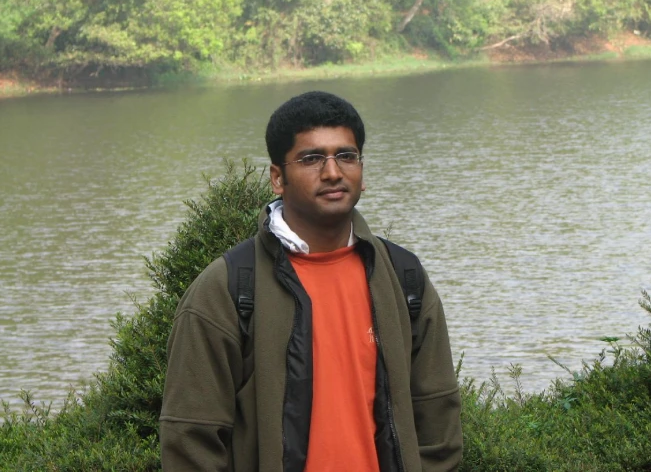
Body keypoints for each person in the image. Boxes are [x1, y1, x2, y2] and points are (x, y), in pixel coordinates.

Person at [160, 91, 462, 471]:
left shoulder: (404, 278)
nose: (333, 172)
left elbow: (439, 422)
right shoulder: (228, 288)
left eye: (346, 156)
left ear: (362, 171)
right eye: (311, 158)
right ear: (276, 178)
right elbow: (190, 440)